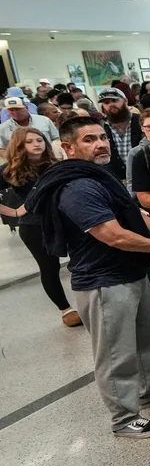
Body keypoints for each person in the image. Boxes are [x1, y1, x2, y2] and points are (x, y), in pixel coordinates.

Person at [24, 116, 150, 437]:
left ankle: (149, 392)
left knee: (148, 339)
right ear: (68, 147)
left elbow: (131, 214)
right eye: (89, 140)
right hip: (104, 281)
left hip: (131, 272)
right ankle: (123, 418)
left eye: (102, 137)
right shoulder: (77, 187)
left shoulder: (99, 176)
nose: (101, 144)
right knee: (115, 353)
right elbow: (113, 235)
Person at [0, 127, 81, 327]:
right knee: (49, 268)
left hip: (65, 220)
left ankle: (89, 300)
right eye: (30, 141)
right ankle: (66, 309)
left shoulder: (56, 165)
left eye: (40, 139)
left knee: (81, 261)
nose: (37, 144)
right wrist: (14, 212)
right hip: (34, 225)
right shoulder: (9, 170)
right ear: (19, 146)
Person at [96, 88, 143, 188]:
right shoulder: (101, 126)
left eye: (114, 100)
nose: (110, 105)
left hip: (142, 180)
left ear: (125, 101)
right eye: (106, 102)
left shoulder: (141, 121)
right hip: (115, 181)